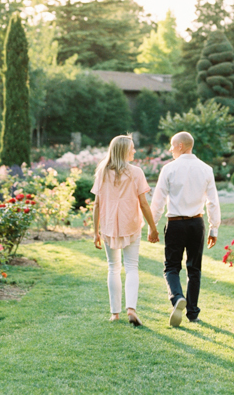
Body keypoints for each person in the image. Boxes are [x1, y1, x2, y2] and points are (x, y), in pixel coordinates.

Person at [150, 131, 221, 327]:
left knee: (171, 267)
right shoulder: (206, 169)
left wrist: (152, 226)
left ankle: (177, 297)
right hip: (197, 224)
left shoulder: (169, 169)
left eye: (172, 146)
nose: (170, 149)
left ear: (181, 146)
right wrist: (214, 229)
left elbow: (158, 201)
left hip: (175, 223)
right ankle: (192, 313)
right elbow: (212, 202)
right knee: (194, 269)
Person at [92, 135, 159, 326]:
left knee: (113, 267)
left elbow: (96, 204)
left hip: (108, 224)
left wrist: (95, 231)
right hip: (130, 222)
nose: (134, 151)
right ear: (123, 150)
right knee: (131, 266)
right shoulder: (136, 172)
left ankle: (115, 313)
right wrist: (153, 228)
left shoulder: (102, 172)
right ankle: (131, 308)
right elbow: (144, 204)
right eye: (132, 148)